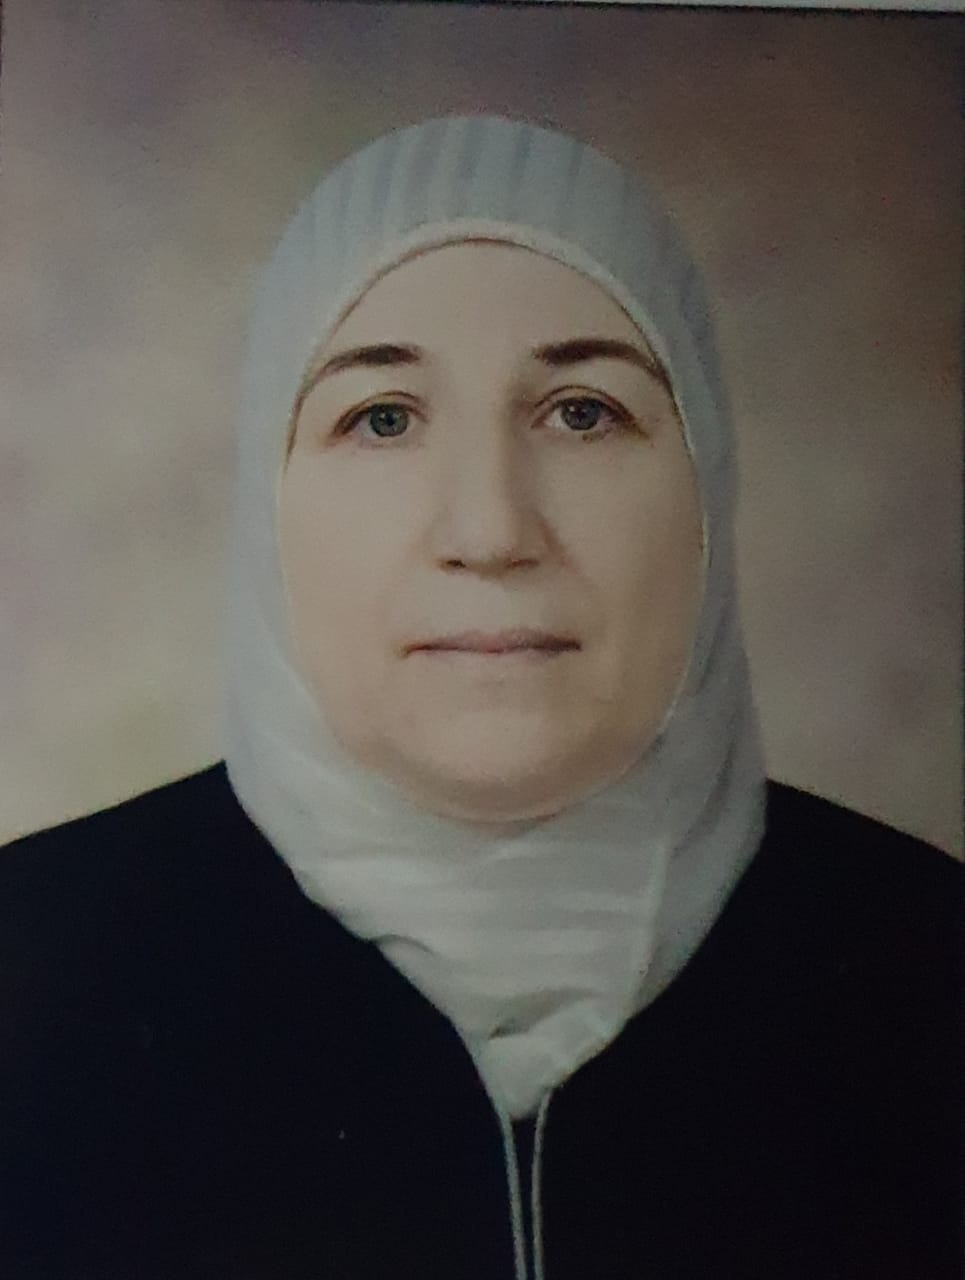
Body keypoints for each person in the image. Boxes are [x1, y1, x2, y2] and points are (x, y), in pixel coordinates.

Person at [1, 115, 960, 1280]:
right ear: (268, 502)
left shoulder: (927, 964)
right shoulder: (28, 967)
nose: (491, 528)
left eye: (582, 412)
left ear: (706, 484)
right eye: (383, 418)